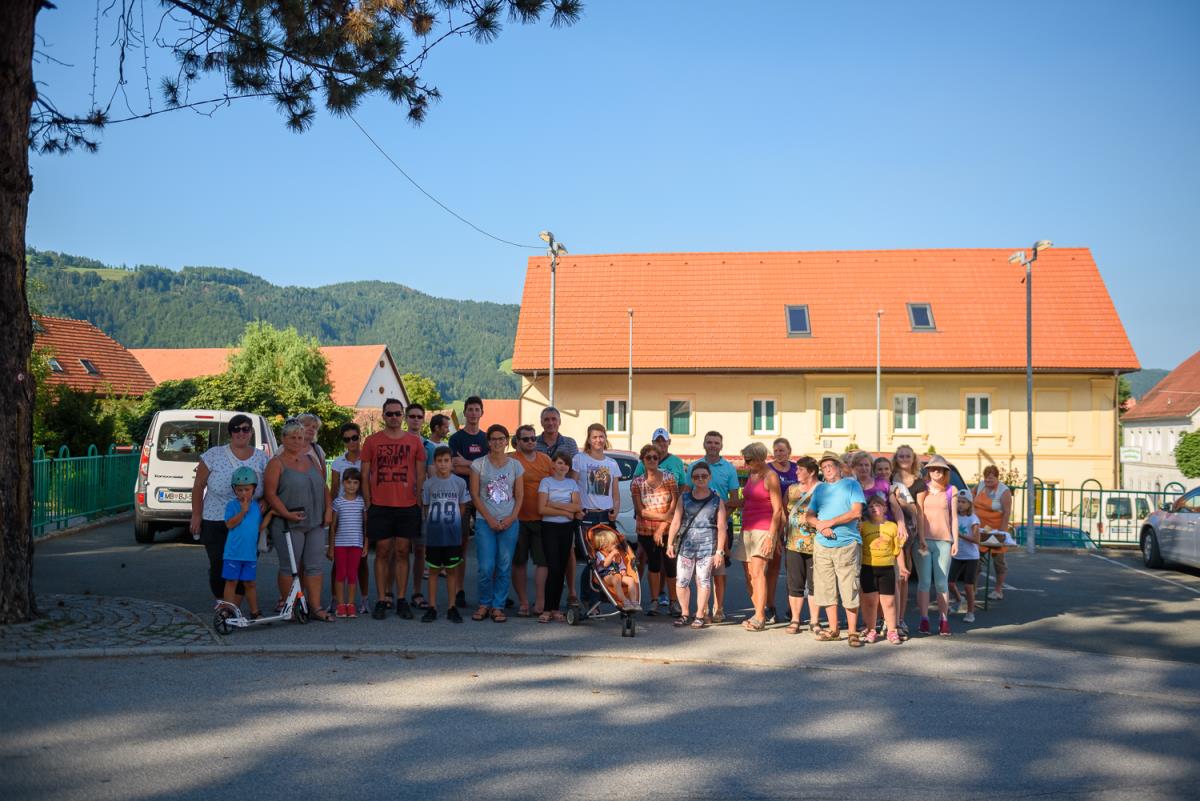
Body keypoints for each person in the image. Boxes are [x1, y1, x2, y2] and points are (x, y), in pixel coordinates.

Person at [189, 413, 270, 606]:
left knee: (244, 564)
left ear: (251, 432)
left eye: (245, 429)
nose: (241, 433)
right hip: (215, 518)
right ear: (230, 433)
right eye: (236, 429)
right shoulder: (213, 455)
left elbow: (270, 486)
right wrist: (196, 515)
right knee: (219, 565)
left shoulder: (262, 458)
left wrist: (266, 500)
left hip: (248, 521)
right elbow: (198, 486)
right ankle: (224, 605)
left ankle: (234, 608)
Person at [361, 397, 426, 621]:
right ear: (383, 416)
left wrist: (418, 501)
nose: (394, 417)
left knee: (402, 552)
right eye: (390, 413)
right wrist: (368, 501)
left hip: (407, 505)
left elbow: (420, 474)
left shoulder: (414, 442)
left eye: (398, 413)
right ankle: (381, 599)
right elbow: (364, 474)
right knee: (382, 552)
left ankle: (401, 599)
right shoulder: (372, 441)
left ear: (403, 416)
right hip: (380, 505)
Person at [264, 420, 334, 621]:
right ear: (283, 439)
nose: (297, 441)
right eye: (292, 437)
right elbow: (270, 494)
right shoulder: (276, 463)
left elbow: (324, 486)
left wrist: (328, 509)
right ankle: (292, 607)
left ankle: (315, 607)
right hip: (288, 524)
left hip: (315, 522)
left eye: (300, 437)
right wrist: (286, 514)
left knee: (315, 566)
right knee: (289, 567)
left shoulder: (311, 460)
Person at [806, 451, 866, 647]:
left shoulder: (851, 485)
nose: (827, 469)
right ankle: (834, 630)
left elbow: (856, 512)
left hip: (847, 543)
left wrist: (829, 522)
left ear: (839, 467)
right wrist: (820, 525)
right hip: (822, 544)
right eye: (824, 467)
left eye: (830, 465)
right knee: (826, 588)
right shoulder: (820, 489)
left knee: (849, 587)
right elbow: (809, 515)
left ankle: (852, 632)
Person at [470, 424, 524, 623]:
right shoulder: (479, 464)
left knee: (504, 565)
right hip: (485, 521)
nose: (498, 442)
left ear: (506, 441)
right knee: (486, 566)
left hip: (509, 522)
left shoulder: (515, 466)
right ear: (488, 442)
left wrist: (511, 518)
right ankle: (484, 603)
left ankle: (498, 606)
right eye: (494, 439)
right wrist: (490, 519)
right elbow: (475, 494)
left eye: (501, 438)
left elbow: (519, 495)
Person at [685, 431, 741, 623]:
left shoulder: (729, 468)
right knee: (701, 570)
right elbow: (686, 496)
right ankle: (704, 608)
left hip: (721, 526)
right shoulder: (694, 466)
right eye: (709, 442)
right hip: (698, 528)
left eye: (716, 443)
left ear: (721, 446)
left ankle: (719, 608)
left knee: (719, 569)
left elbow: (735, 499)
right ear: (704, 444)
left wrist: (721, 519)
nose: (712, 445)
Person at [666, 461, 727, 628]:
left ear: (709, 477)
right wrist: (670, 543)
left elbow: (722, 527)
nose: (700, 479)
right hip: (686, 547)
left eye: (703, 476)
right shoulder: (684, 498)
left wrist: (720, 551)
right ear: (692, 479)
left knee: (703, 581)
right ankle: (685, 613)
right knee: (681, 581)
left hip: (708, 547)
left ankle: (700, 614)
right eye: (696, 476)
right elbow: (676, 522)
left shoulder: (716, 500)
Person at [535, 406, 581, 606]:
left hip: (565, 502)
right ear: (541, 422)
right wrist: (564, 507)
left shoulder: (569, 443)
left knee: (568, 555)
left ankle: (571, 592)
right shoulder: (535, 442)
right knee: (547, 560)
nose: (550, 423)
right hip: (543, 501)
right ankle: (545, 602)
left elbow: (574, 470)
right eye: (547, 419)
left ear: (559, 422)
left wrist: (567, 503)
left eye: (554, 419)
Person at [736, 442, 783, 631]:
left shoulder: (770, 476)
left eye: (748, 460)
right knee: (749, 575)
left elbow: (778, 509)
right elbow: (748, 500)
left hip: (764, 529)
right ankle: (759, 611)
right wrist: (725, 503)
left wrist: (772, 536)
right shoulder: (751, 474)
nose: (745, 463)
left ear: (759, 458)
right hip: (747, 528)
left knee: (757, 572)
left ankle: (760, 617)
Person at [421, 446, 469, 623]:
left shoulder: (459, 483)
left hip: (452, 534)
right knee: (433, 571)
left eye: (446, 461)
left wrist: (453, 522)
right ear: (434, 463)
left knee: (451, 571)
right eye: (439, 461)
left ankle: (452, 607)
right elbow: (426, 507)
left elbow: (462, 506)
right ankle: (432, 606)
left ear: (451, 463)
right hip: (434, 535)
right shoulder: (429, 484)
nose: (443, 464)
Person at [631, 443, 679, 617]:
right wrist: (664, 517)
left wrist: (663, 526)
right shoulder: (637, 483)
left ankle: (674, 602)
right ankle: (654, 601)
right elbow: (640, 511)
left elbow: (675, 504)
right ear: (643, 460)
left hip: (668, 531)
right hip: (646, 530)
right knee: (653, 565)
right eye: (648, 457)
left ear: (659, 460)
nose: (652, 460)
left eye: (655, 457)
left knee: (670, 565)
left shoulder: (669, 478)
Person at [450, 396, 488, 608]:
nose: (473, 413)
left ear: (482, 413)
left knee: (487, 545)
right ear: (464, 412)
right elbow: (455, 467)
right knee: (461, 544)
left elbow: (490, 470)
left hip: (484, 497)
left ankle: (489, 591)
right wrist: (478, 467)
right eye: (470, 409)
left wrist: (467, 463)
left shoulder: (487, 438)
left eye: (476, 409)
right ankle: (458, 590)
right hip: (462, 496)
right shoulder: (456, 439)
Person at [512, 424, 553, 617]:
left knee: (543, 562)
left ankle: (541, 601)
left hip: (542, 519)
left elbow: (555, 484)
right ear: (518, 441)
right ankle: (523, 602)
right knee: (519, 562)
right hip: (518, 519)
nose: (530, 442)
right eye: (526, 439)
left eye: (533, 438)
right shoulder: (512, 460)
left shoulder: (545, 459)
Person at [330, 422, 369, 615]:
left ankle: (363, 599)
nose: (351, 442)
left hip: (361, 509)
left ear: (359, 437)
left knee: (362, 562)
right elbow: (334, 488)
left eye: (354, 438)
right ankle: (336, 600)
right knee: (338, 564)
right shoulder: (338, 462)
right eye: (347, 439)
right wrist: (330, 510)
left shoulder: (367, 459)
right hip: (342, 510)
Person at [917, 454, 959, 636]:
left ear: (945, 472)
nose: (936, 471)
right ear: (928, 471)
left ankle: (944, 619)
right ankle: (924, 619)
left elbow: (954, 518)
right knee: (924, 582)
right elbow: (919, 514)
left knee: (941, 583)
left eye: (940, 469)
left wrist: (955, 541)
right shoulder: (922, 488)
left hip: (944, 541)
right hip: (923, 541)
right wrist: (920, 538)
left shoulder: (951, 490)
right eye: (933, 468)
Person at [537, 452, 581, 622]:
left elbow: (577, 506)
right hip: (550, 528)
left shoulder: (572, 483)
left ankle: (555, 609)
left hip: (566, 528)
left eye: (566, 464)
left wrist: (553, 503)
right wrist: (565, 511)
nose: (563, 467)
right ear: (553, 464)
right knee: (553, 567)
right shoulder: (546, 482)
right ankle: (546, 609)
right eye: (560, 463)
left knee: (561, 568)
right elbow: (542, 509)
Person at [219, 466, 267, 620]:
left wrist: (271, 514)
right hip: (233, 553)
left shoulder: (256, 507)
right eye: (239, 490)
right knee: (231, 582)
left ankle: (255, 612)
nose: (243, 493)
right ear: (235, 490)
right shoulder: (232, 505)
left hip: (249, 554)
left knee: (250, 583)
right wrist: (243, 511)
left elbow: (259, 528)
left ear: (253, 489)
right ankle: (227, 610)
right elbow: (229, 524)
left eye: (247, 489)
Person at [891, 444, 928, 637]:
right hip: (887, 531)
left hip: (907, 535)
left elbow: (919, 512)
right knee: (888, 577)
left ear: (913, 459)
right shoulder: (889, 476)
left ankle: (900, 618)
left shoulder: (919, 483)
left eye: (908, 456)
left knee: (903, 576)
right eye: (901, 456)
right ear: (896, 459)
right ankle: (886, 619)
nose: (904, 459)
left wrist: (921, 537)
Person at [860, 494, 905, 644]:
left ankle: (892, 630)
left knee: (889, 602)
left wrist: (902, 566)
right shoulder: (863, 526)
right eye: (871, 506)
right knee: (871, 602)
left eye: (877, 505)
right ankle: (871, 629)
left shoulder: (892, 526)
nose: (874, 508)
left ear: (885, 508)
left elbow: (898, 549)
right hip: (868, 567)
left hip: (887, 568)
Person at [783, 456, 821, 634]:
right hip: (793, 543)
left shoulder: (822, 489)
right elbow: (784, 512)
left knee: (815, 584)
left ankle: (815, 621)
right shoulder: (792, 490)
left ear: (811, 472)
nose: (796, 472)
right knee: (795, 583)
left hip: (817, 545)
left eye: (800, 469)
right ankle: (795, 619)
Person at [327, 467, 367, 618]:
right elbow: (333, 527)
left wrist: (366, 543)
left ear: (359, 484)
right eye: (348, 482)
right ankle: (340, 604)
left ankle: (350, 604)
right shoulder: (338, 502)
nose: (351, 486)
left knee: (352, 574)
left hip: (356, 544)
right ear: (343, 483)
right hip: (340, 544)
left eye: (355, 483)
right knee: (340, 573)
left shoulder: (362, 502)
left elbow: (365, 525)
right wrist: (331, 547)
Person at [765, 438, 797, 621]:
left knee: (792, 568)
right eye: (776, 450)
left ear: (789, 451)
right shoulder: (768, 469)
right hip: (774, 521)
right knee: (773, 567)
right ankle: (770, 605)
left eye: (782, 450)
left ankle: (792, 608)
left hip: (795, 524)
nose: (779, 454)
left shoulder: (796, 469)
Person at [572, 422, 622, 540]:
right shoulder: (579, 459)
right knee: (588, 551)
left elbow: (615, 494)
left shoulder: (612, 463)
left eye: (601, 437)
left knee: (607, 551)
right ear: (589, 440)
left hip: (606, 516)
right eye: (594, 437)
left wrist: (615, 511)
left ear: (605, 439)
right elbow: (572, 487)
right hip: (586, 515)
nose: (598, 440)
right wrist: (577, 510)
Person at [404, 402, 431, 610]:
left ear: (424, 420)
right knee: (399, 550)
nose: (415, 420)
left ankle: (417, 591)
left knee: (420, 550)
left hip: (421, 504)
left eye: (419, 416)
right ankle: (396, 594)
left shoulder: (430, 447)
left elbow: (433, 477)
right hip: (399, 501)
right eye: (411, 416)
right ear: (406, 419)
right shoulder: (399, 442)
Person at [973, 465, 1013, 601]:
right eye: (986, 477)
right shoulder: (980, 486)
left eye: (991, 477)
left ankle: (998, 590)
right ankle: (973, 588)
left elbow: (1006, 513)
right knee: (975, 560)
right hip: (979, 530)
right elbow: (970, 499)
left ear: (997, 478)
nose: (988, 480)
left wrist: (1001, 532)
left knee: (998, 561)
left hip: (996, 530)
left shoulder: (1004, 491)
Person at [950, 490, 981, 623]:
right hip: (958, 555)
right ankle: (959, 600)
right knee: (950, 583)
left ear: (969, 504)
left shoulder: (973, 519)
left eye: (963, 502)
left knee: (968, 586)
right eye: (958, 502)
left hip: (971, 557)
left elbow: (976, 539)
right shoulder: (954, 517)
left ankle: (970, 612)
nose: (960, 504)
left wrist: (959, 535)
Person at [592, 526, 638, 611]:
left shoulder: (617, 553)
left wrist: (623, 570)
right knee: (615, 579)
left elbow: (621, 564)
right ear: (604, 545)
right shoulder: (599, 554)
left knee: (631, 580)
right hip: (605, 575)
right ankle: (625, 601)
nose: (616, 545)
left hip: (617, 574)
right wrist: (611, 555)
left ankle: (634, 602)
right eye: (613, 543)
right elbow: (604, 564)